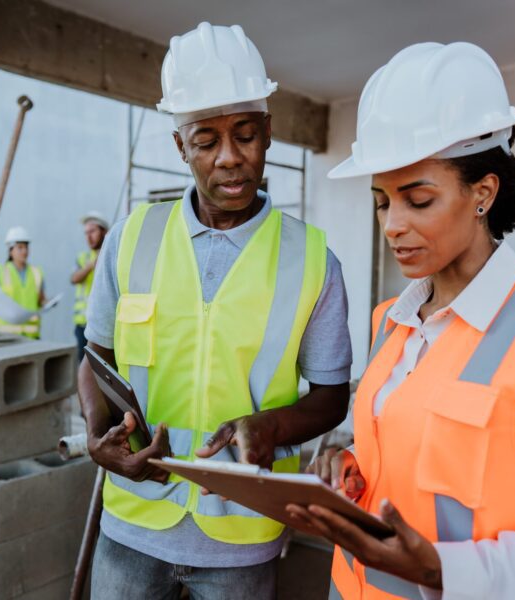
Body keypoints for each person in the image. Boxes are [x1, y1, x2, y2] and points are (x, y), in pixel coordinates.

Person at [286, 42, 515, 599]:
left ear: (483, 193)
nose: (392, 226)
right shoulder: (394, 322)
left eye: (419, 200)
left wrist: (442, 572)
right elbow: (404, 450)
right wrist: (350, 464)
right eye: (383, 201)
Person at [78, 22, 353, 600]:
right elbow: (96, 358)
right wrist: (97, 431)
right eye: (206, 141)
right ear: (181, 147)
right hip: (132, 522)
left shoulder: (311, 260)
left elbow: (332, 396)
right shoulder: (132, 237)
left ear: (269, 133)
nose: (230, 159)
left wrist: (272, 425)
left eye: (246, 135)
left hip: (241, 536)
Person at [0, 226, 46, 339]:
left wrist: (48, 303)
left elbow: (41, 300)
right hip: (6, 336)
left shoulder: (37, 272)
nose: (25, 251)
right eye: (20, 247)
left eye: (26, 247)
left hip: (32, 336)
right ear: (10, 250)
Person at [71, 211, 109, 360]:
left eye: (92, 231)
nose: (89, 236)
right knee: (84, 365)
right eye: (86, 233)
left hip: (105, 324)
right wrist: (89, 266)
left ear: (104, 231)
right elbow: (74, 279)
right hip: (83, 324)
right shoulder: (83, 258)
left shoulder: (111, 254)